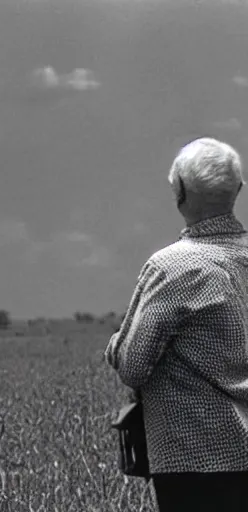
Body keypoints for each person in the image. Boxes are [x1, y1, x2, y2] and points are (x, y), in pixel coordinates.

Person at [105, 137, 248, 511]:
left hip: (197, 458)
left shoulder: (174, 267)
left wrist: (116, 344)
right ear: (239, 190)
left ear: (179, 193)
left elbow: (133, 366)